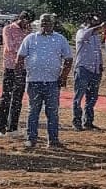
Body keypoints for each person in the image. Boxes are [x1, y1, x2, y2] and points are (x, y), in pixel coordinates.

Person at [17, 13, 72, 150]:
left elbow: (69, 59)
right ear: (39, 24)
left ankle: (53, 141)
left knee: (52, 112)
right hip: (33, 81)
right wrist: (19, 75)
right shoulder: (30, 38)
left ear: (53, 24)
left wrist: (63, 76)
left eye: (48, 22)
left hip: (52, 82)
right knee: (33, 111)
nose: (45, 25)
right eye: (42, 22)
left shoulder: (60, 39)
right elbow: (20, 57)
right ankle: (31, 139)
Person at [0, 11, 33, 137]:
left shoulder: (28, 32)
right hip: (11, 67)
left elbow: (31, 47)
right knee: (6, 97)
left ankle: (12, 127)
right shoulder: (8, 29)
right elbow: (10, 47)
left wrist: (25, 46)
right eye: (26, 21)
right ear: (21, 19)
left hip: (23, 68)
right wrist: (23, 51)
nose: (27, 24)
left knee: (18, 98)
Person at [71, 15, 105, 131]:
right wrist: (98, 28)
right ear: (88, 21)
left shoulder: (96, 36)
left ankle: (88, 121)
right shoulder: (81, 32)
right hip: (83, 68)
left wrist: (100, 65)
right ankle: (76, 121)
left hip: (95, 70)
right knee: (79, 96)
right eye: (94, 21)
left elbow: (98, 52)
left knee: (92, 97)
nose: (97, 24)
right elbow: (85, 35)